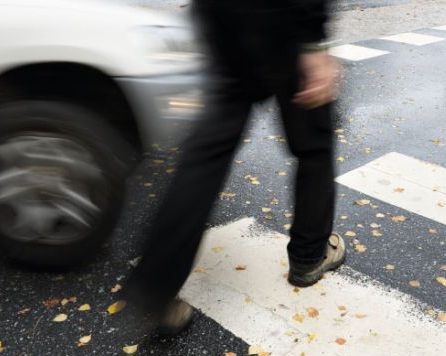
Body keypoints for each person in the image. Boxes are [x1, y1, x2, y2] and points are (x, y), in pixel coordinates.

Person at [124, 0, 344, 334]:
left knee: (207, 154)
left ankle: (156, 287)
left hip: (222, 15)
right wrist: (313, 42)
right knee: (314, 142)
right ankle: (309, 256)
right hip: (283, 20)